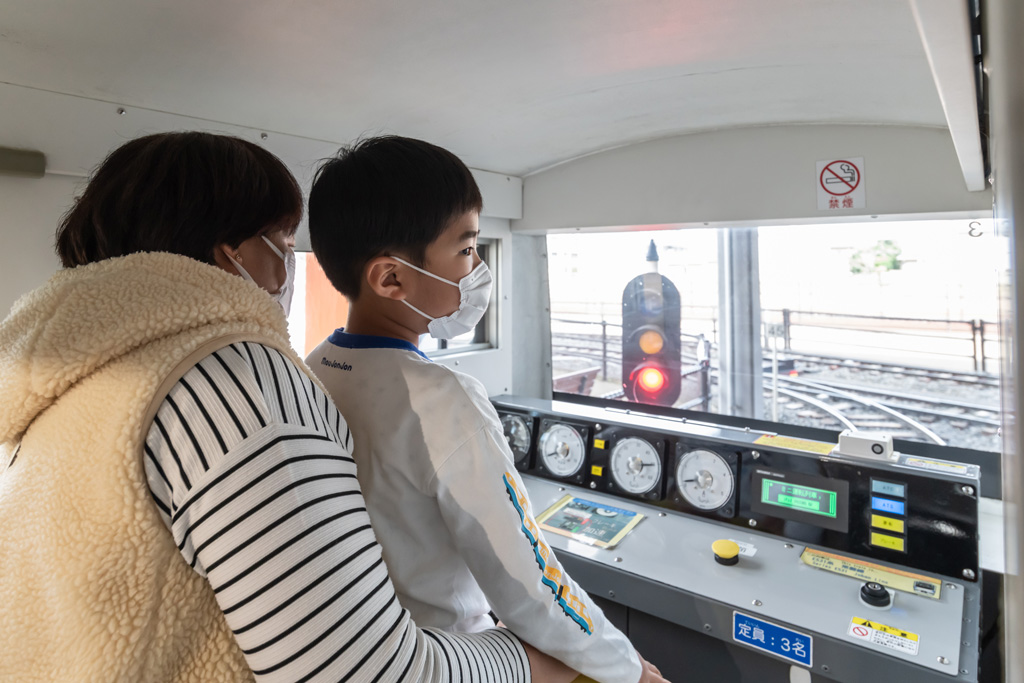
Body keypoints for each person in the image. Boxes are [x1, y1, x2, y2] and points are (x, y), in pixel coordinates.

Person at [0, 131, 581, 682]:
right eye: (282, 245)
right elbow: (359, 672)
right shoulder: (237, 383)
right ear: (233, 257)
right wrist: (532, 660)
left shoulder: (70, 382)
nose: (288, 270)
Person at [306, 136, 668, 683]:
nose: (478, 268)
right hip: (448, 658)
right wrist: (632, 670)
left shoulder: (314, 367)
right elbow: (528, 583)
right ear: (390, 278)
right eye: (466, 249)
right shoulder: (442, 398)